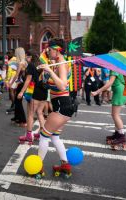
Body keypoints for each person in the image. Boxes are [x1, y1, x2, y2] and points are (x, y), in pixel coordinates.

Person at [36, 38, 75, 178]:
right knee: (55, 137)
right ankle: (65, 165)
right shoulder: (58, 62)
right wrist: (47, 70)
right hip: (64, 105)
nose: (48, 51)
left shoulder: (63, 63)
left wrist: (49, 71)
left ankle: (37, 167)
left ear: (57, 50)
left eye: (50, 49)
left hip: (61, 105)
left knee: (44, 136)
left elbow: (63, 85)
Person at [91, 49, 126, 150]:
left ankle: (122, 137)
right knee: (115, 114)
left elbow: (109, 83)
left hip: (119, 91)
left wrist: (97, 92)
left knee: (115, 115)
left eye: (109, 56)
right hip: (119, 91)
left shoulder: (114, 66)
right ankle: (118, 134)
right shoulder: (116, 65)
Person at [18, 52, 48, 144]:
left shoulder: (31, 65)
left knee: (30, 114)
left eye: (27, 56)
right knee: (40, 113)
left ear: (30, 57)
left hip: (35, 91)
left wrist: (21, 92)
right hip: (44, 90)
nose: (26, 58)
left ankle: (28, 136)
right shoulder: (42, 64)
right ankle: (42, 133)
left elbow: (28, 80)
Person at [8, 47, 27, 127]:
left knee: (18, 102)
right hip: (21, 83)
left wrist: (10, 83)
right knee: (17, 101)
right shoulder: (24, 62)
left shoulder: (21, 63)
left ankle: (23, 120)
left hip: (21, 83)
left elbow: (16, 75)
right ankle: (17, 118)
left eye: (16, 53)